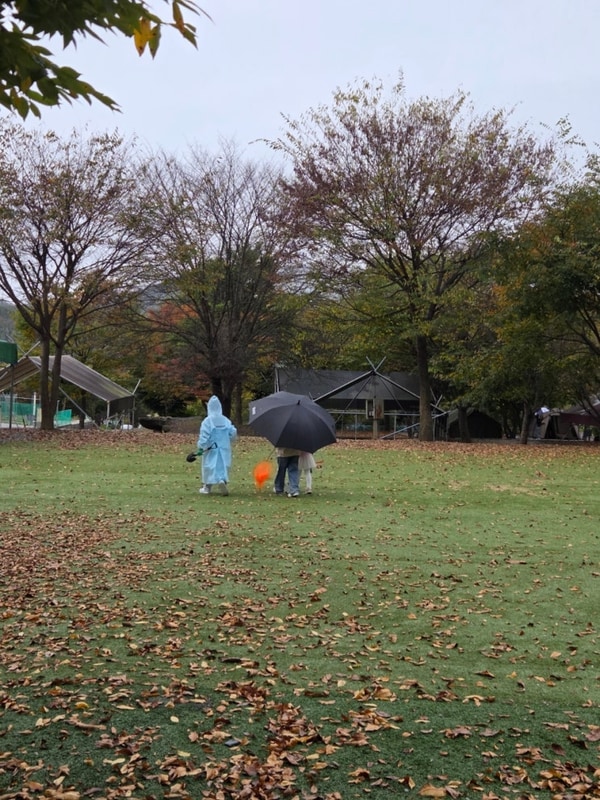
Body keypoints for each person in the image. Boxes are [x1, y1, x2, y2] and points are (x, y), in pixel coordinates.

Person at [197, 396, 237, 495]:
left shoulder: (207, 421)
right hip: (224, 448)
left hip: (211, 447)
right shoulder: (225, 420)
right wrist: (230, 440)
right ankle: (222, 480)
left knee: (209, 465)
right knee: (223, 465)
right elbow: (233, 432)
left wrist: (201, 447)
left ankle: (207, 487)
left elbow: (204, 435)